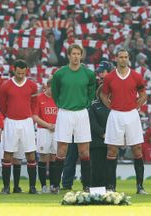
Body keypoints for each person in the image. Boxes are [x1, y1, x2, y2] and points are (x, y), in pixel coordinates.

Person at [100, 48, 147, 194]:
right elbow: (103, 94)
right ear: (116, 59)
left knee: (137, 149)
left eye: (125, 57)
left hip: (132, 114)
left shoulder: (136, 76)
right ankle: (111, 187)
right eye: (120, 57)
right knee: (112, 150)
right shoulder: (109, 77)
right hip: (116, 115)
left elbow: (143, 94)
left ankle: (140, 186)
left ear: (128, 58)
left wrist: (136, 106)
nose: (123, 59)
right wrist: (111, 106)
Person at [51, 43, 96, 193]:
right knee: (61, 150)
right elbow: (55, 92)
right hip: (64, 112)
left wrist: (86, 103)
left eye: (78, 54)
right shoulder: (60, 73)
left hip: (82, 113)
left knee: (84, 151)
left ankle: (87, 185)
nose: (76, 56)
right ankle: (55, 185)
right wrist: (61, 104)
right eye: (73, 54)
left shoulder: (88, 74)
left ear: (81, 55)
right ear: (68, 55)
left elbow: (92, 91)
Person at [0, 59, 38, 194]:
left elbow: (34, 102)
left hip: (27, 121)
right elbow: (2, 105)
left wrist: (29, 114)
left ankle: (32, 187)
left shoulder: (32, 85)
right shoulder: (6, 86)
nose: (21, 75)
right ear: (14, 69)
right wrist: (10, 116)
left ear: (26, 70)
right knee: (8, 153)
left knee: (30, 154)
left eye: (23, 73)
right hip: (11, 121)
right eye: (18, 73)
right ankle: (6, 187)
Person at [33, 77, 58, 193]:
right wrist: (48, 125)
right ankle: (43, 186)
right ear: (47, 86)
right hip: (44, 130)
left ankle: (53, 185)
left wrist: (56, 125)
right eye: (53, 88)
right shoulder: (39, 98)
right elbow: (35, 116)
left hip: (56, 130)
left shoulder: (59, 98)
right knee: (43, 157)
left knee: (54, 157)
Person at [89, 84, 113, 188]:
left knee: (110, 166)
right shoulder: (93, 106)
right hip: (97, 142)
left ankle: (110, 186)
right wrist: (103, 134)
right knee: (97, 166)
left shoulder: (115, 105)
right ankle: (96, 188)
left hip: (112, 142)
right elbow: (92, 123)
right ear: (99, 93)